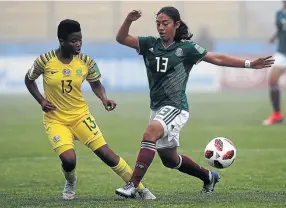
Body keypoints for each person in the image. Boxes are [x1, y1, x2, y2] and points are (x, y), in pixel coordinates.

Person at [114, 7, 274, 199]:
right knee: (170, 160)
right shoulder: (150, 44)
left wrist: (249, 64)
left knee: (150, 134)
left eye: (165, 23)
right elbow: (121, 38)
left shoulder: (186, 48)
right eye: (158, 24)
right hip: (157, 108)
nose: (161, 28)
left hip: (175, 107)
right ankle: (208, 176)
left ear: (177, 24)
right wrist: (129, 20)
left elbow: (216, 57)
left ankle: (132, 185)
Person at [24, 19, 155, 200]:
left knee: (108, 155)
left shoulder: (86, 61)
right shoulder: (45, 61)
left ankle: (140, 188)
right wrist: (41, 100)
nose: (78, 44)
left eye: (80, 40)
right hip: (55, 119)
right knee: (69, 160)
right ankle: (70, 181)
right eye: (73, 40)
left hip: (80, 117)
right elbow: (29, 80)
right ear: (61, 41)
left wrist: (104, 98)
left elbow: (96, 84)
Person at [264, 0, 286, 126]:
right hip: (282, 51)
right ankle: (277, 114)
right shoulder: (279, 13)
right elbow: (281, 29)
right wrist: (273, 38)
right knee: (273, 80)